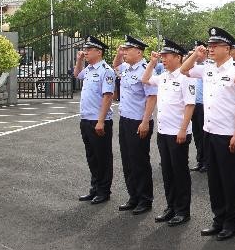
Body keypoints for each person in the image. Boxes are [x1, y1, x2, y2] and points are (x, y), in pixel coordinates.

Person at [179, 27, 235, 241]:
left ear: (227, 49)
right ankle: (218, 219)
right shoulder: (208, 69)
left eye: (214, 46)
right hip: (209, 132)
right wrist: (196, 55)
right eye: (209, 45)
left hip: (228, 133)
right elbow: (184, 70)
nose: (210, 49)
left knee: (229, 181)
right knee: (214, 180)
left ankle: (232, 222)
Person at [142, 38, 196, 226]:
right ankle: (170, 206)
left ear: (178, 57)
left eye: (166, 56)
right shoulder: (163, 76)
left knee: (180, 172)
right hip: (163, 131)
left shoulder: (186, 78)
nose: (163, 59)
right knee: (167, 171)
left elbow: (190, 106)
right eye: (162, 56)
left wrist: (183, 130)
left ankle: (183, 210)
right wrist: (152, 62)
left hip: (178, 133)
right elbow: (145, 79)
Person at [113, 35, 158, 215]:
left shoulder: (145, 70)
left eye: (128, 49)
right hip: (125, 119)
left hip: (139, 121)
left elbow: (151, 97)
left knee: (140, 161)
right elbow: (116, 66)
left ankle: (145, 199)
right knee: (128, 161)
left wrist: (145, 121)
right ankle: (133, 196)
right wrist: (118, 53)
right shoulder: (126, 68)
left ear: (138, 52)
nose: (124, 52)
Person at [73, 36, 116, 205]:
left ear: (99, 52)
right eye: (85, 49)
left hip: (99, 120)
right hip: (86, 119)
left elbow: (108, 97)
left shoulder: (106, 70)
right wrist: (79, 60)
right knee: (91, 156)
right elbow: (77, 75)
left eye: (88, 50)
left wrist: (101, 121)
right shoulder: (89, 69)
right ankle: (95, 188)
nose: (85, 52)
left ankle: (104, 191)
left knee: (102, 157)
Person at [190, 40, 207, 173]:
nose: (196, 53)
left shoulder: (209, 66)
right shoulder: (193, 66)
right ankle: (200, 160)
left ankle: (207, 161)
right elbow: (182, 68)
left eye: (199, 51)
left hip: (205, 105)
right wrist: (193, 56)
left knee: (205, 135)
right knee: (197, 135)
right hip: (194, 104)